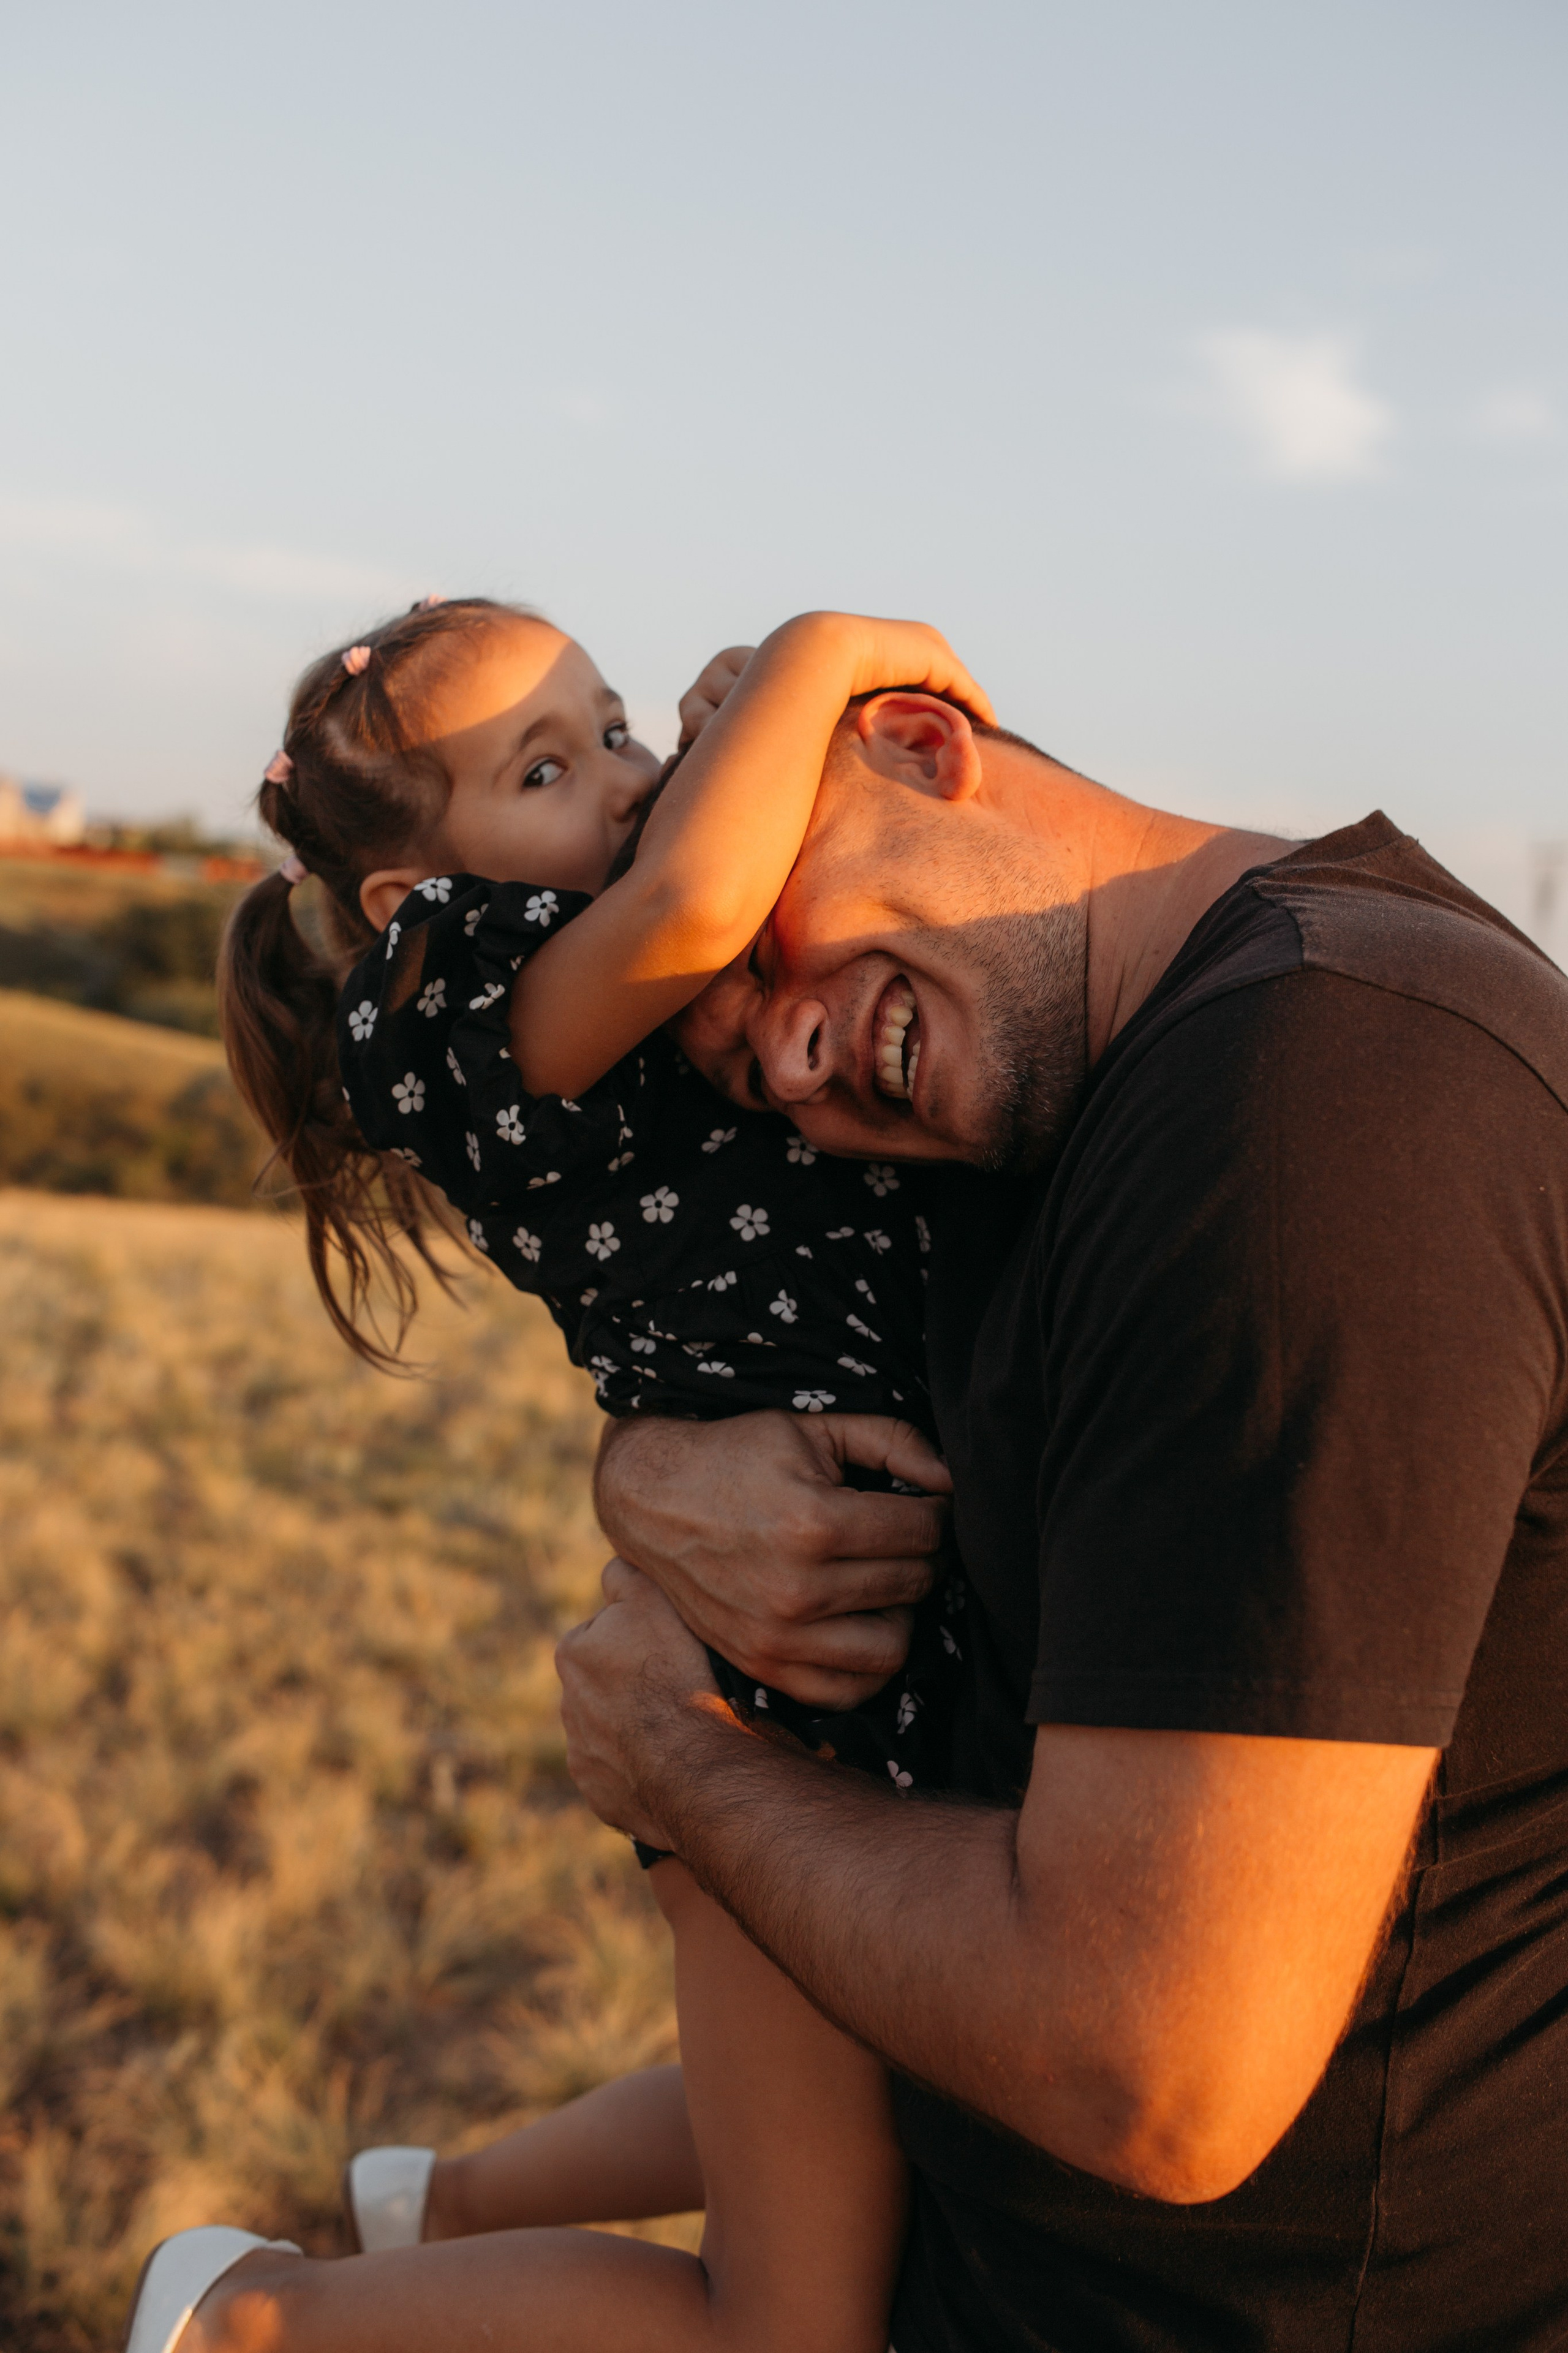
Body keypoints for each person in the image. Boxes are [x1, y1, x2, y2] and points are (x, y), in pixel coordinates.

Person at [557, 682, 1568, 2351]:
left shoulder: (1323, 1099)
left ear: (919, 745)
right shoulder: (1060, 1102)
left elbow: (1151, 2060)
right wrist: (651, 1472)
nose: (793, 1066)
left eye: (759, 947)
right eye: (742, 1073)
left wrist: (678, 1761)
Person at [125, 603, 984, 2353]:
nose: (624, 780)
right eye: (541, 772)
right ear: (412, 896)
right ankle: (248, 2319)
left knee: (861, 2086)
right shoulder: (470, 1003)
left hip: (865, 1653)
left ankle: (429, 2205)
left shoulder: (611, 965)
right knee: (788, 2328)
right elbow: (692, 901)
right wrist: (823, 653)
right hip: (767, 1696)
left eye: (611, 727)